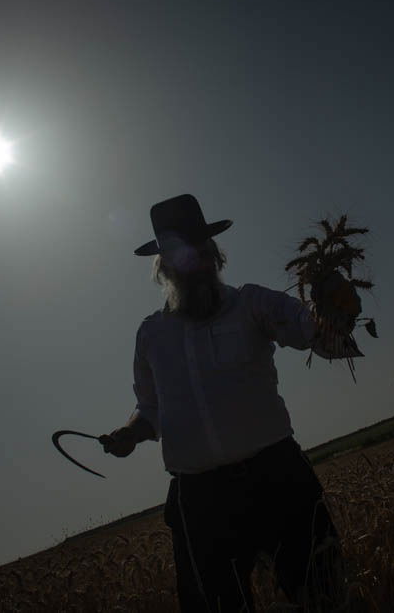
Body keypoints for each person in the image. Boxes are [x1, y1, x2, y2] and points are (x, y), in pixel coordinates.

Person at [100, 194, 360, 612]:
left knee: (327, 597)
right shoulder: (151, 335)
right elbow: (150, 408)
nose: (194, 262)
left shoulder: (252, 305)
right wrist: (129, 433)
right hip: (200, 500)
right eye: (181, 255)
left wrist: (336, 313)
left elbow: (312, 330)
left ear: (215, 255)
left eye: (201, 251)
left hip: (278, 480)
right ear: (163, 267)